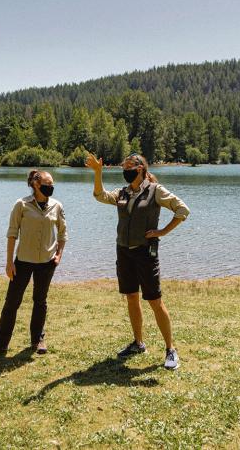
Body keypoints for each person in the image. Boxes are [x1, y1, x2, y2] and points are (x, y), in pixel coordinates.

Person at [85, 152, 190, 370]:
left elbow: (182, 210)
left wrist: (162, 232)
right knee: (131, 297)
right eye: (123, 167)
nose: (124, 170)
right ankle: (138, 343)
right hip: (124, 251)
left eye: (127, 166)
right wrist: (97, 172)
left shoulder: (155, 191)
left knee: (154, 301)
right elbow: (100, 195)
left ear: (140, 168)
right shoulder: (123, 193)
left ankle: (171, 349)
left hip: (145, 253)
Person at [0, 170, 67, 357]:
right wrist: (9, 262)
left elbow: (63, 234)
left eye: (52, 183)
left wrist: (59, 255)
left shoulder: (57, 206)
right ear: (36, 184)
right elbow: (12, 233)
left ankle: (37, 340)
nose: (51, 186)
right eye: (48, 183)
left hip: (47, 262)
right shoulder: (21, 205)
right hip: (23, 262)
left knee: (40, 301)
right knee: (11, 303)